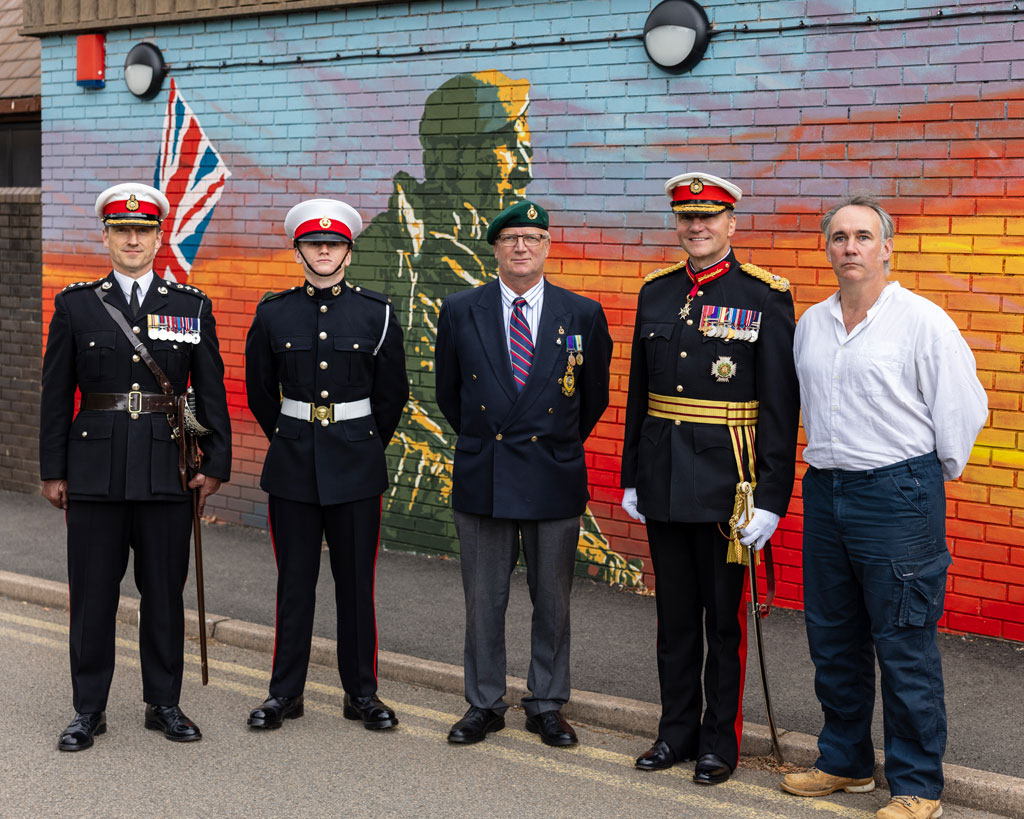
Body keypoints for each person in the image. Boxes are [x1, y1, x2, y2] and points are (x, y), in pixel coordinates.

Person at [348, 71, 641, 588]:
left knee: (586, 588)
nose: (525, 166)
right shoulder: (392, 251)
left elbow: (581, 401)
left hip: (531, 474)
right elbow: (402, 402)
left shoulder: (496, 262)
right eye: (509, 146)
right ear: (455, 153)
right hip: (448, 484)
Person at [781, 194, 987, 819]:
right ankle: (844, 762)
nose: (851, 247)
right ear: (828, 248)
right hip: (827, 490)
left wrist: (922, 478)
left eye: (864, 236)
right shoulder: (812, 324)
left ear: (887, 248)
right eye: (839, 237)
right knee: (833, 639)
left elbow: (963, 408)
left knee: (903, 642)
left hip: (898, 496)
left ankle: (918, 785)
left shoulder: (923, 321)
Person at [620, 172, 799, 784]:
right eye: (687, 217)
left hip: (731, 485)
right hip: (664, 476)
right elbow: (639, 393)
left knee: (724, 623)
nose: (697, 226)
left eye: (709, 217)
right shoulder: (656, 291)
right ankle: (675, 733)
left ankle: (719, 742)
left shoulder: (764, 295)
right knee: (674, 620)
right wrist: (633, 474)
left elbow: (780, 408)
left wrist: (771, 498)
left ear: (731, 223)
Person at [40, 182, 231, 751]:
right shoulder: (76, 305)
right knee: (92, 594)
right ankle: (88, 709)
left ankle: (163, 703)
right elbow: (56, 394)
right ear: (105, 236)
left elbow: (211, 390)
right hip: (94, 469)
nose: (131, 240)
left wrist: (215, 462)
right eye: (121, 230)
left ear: (158, 237)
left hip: (165, 467)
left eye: (142, 231)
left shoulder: (190, 305)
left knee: (164, 593)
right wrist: (53, 468)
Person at [434, 200, 612, 746]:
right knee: (483, 601)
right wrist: (489, 442)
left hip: (552, 473)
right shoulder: (460, 309)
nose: (521, 246)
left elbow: (593, 398)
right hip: (484, 472)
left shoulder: (582, 313)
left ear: (547, 246)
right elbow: (449, 395)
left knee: (552, 602)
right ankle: (484, 703)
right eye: (510, 237)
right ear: (495, 248)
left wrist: (553, 442)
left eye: (532, 237)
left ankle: (547, 703)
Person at [244, 198, 408, 732]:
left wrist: (361, 442)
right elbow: (260, 391)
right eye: (314, 243)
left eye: (333, 243)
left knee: (356, 586)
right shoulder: (273, 313)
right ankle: (284, 694)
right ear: (298, 252)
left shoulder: (377, 313)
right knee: (294, 585)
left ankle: (362, 694)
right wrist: (292, 434)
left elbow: (392, 395)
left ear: (348, 252)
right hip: (292, 466)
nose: (323, 251)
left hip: (356, 466)